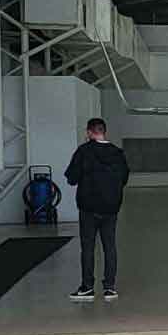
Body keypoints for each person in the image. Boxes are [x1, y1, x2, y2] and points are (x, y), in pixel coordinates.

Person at [65, 118, 130, 302]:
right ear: (104, 131)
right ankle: (110, 288)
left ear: (89, 132)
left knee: (88, 248)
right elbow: (124, 178)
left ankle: (87, 288)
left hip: (88, 207)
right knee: (110, 246)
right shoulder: (118, 153)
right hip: (111, 208)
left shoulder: (84, 152)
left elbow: (72, 178)